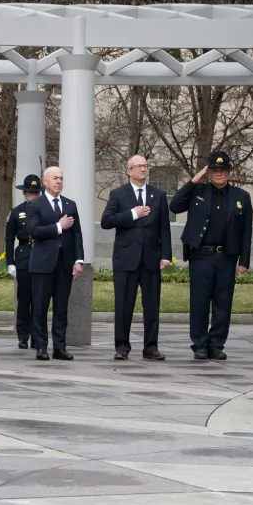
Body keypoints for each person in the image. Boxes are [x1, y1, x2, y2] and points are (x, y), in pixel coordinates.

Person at [170, 151, 253, 361]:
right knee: (199, 301)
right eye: (214, 170)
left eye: (223, 170)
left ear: (228, 172)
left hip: (226, 257)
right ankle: (199, 344)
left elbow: (246, 231)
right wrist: (192, 182)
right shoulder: (198, 190)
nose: (219, 174)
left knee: (222, 303)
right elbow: (174, 205)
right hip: (201, 256)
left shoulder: (241, 196)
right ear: (208, 172)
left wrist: (244, 260)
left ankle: (216, 344)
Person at [100, 154, 172, 361]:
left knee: (152, 305)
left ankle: (151, 347)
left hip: (151, 258)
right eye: (139, 166)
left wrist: (166, 255)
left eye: (145, 166)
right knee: (124, 304)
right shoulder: (118, 194)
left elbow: (164, 229)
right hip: (126, 258)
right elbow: (106, 221)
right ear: (129, 171)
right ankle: (122, 346)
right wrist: (132, 214)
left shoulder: (158, 195)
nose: (143, 169)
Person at [26, 166, 85, 361]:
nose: (59, 181)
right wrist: (59, 226)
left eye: (61, 178)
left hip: (64, 264)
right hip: (43, 264)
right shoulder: (35, 205)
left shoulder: (70, 204)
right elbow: (34, 231)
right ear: (45, 182)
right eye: (55, 178)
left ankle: (59, 347)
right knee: (40, 307)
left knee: (61, 307)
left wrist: (78, 260)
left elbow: (77, 234)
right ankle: (41, 346)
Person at [5, 174, 44, 349]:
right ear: (24, 193)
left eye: (35, 193)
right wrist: (10, 262)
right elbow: (9, 238)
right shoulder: (16, 212)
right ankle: (23, 335)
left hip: (41, 253)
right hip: (24, 255)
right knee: (24, 298)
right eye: (29, 193)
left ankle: (37, 336)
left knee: (39, 298)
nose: (32, 196)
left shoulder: (45, 209)